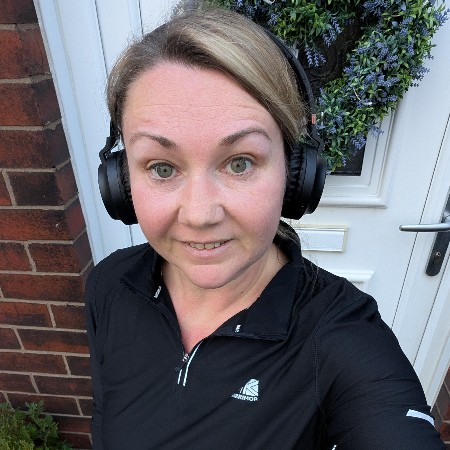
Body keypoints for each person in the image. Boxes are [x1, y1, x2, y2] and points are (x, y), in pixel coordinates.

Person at [85, 5, 445, 449]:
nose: (199, 214)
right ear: (121, 182)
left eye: (240, 163)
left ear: (295, 175)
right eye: (162, 168)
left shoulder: (343, 339)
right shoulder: (109, 284)